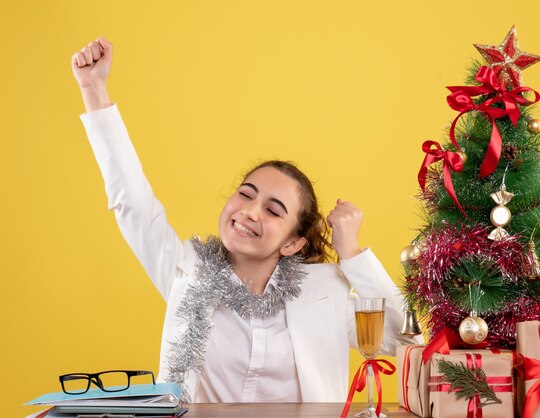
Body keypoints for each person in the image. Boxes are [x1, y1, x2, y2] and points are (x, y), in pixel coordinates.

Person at [71, 36, 421, 403]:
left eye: (273, 210)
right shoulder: (186, 270)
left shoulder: (324, 293)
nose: (250, 211)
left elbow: (406, 341)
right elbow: (133, 203)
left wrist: (351, 251)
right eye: (246, 193)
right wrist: (94, 89)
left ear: (293, 242)